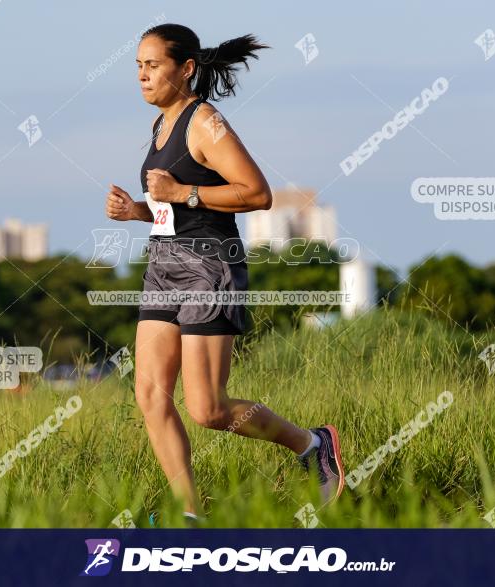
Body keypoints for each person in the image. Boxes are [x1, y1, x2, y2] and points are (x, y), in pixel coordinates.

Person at [104, 23, 344, 522]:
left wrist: (179, 194)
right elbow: (179, 206)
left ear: (185, 69)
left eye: (153, 65)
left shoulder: (204, 121)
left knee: (207, 410)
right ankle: (188, 517)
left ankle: (311, 444)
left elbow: (257, 193)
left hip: (208, 266)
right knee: (149, 393)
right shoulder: (161, 126)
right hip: (164, 266)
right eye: (138, 66)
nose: (142, 76)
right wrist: (141, 212)